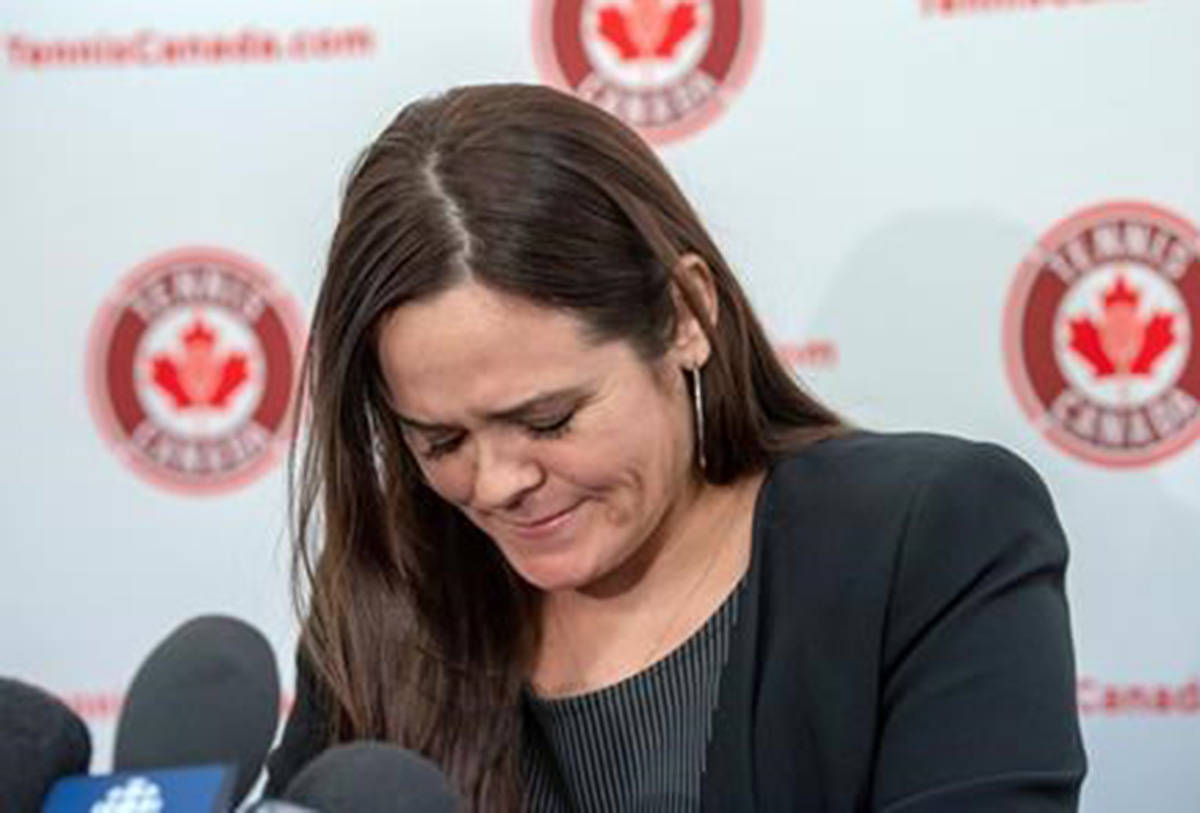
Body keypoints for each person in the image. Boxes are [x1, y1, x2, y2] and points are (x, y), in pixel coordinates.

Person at [266, 83, 1086, 811]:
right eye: (440, 440)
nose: (499, 481)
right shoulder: (383, 607)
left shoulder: (926, 538)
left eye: (548, 419)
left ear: (686, 312)